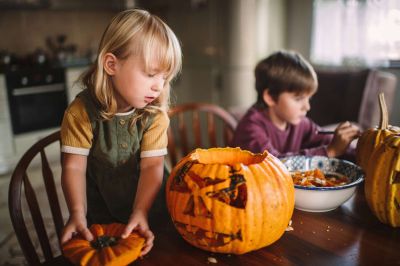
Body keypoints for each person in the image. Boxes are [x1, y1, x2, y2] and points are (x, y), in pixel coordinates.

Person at [59, 9, 182, 256]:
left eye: (164, 77)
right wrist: (76, 213)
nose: (158, 86)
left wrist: (141, 211)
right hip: (104, 218)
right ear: (112, 64)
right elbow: (74, 167)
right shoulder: (80, 113)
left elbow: (152, 167)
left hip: (154, 212)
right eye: (150, 74)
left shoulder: (154, 116)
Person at [231, 50, 360, 160]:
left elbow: (328, 140)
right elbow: (276, 165)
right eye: (298, 99)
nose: (307, 107)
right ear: (270, 97)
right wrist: (330, 151)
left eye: (309, 98)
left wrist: (356, 150)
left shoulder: (300, 123)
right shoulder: (251, 128)